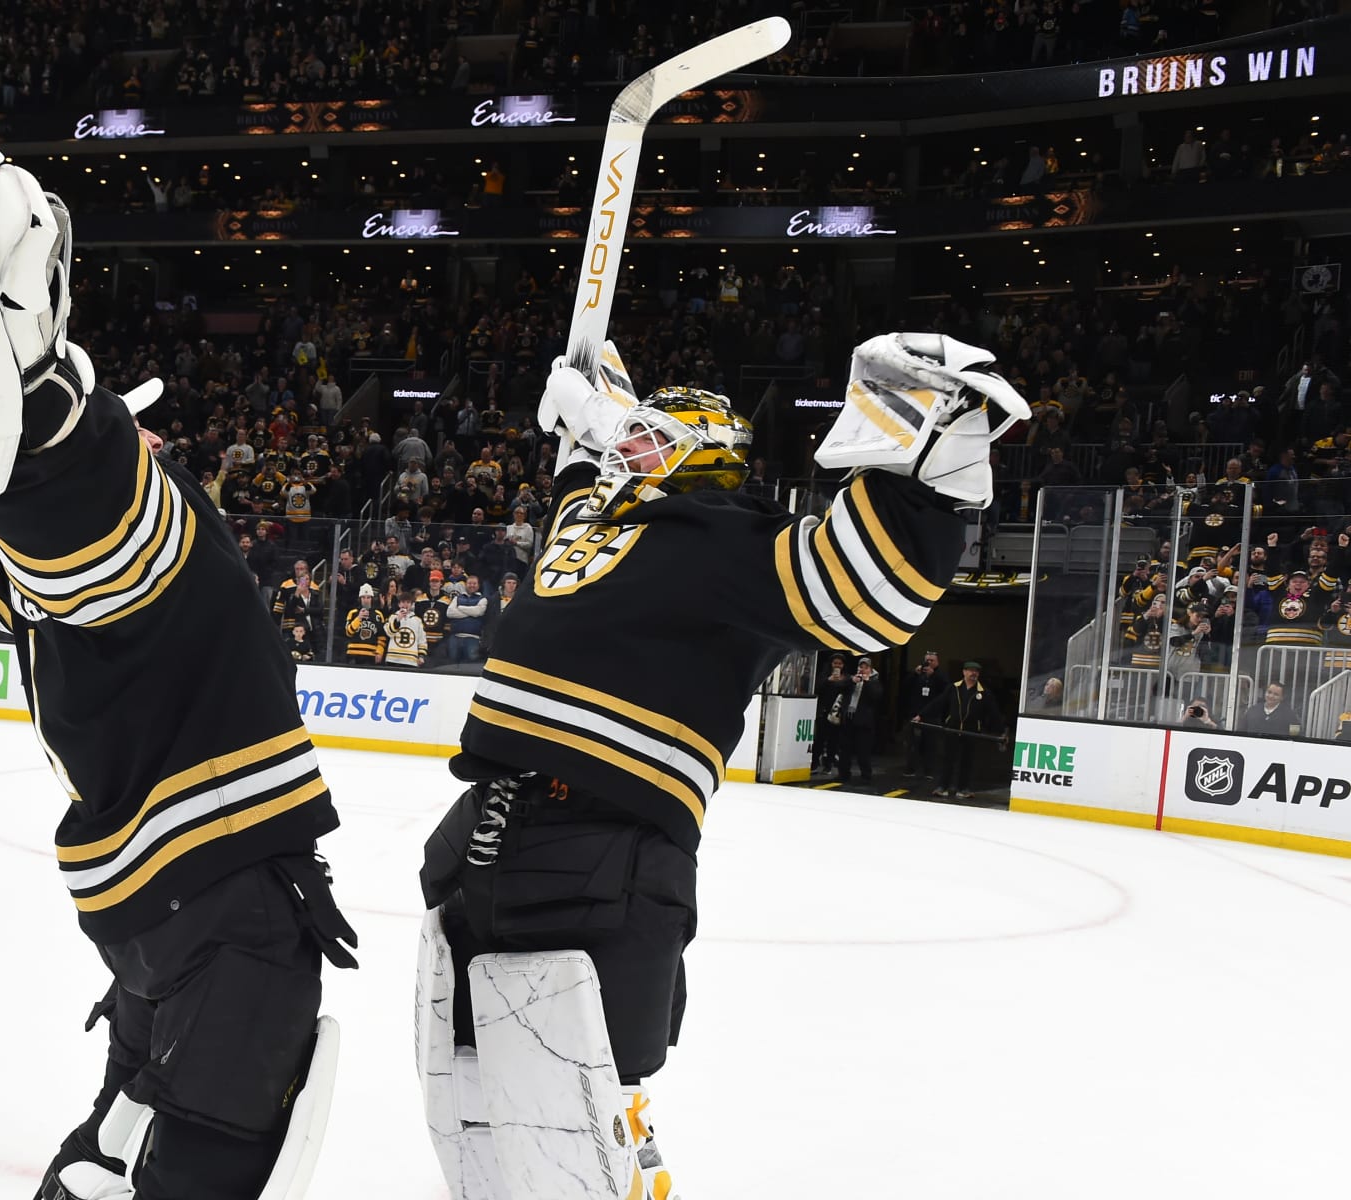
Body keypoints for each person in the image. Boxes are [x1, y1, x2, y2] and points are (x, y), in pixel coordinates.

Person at [0, 150, 355, 1200]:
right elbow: (25, 544)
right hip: (204, 926)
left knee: (113, 1173)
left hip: (171, 929)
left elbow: (74, 534)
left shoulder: (123, 565)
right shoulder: (96, 575)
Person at [417, 331, 1027, 1199]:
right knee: (473, 1093)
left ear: (704, 461)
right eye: (630, 439)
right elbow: (585, 487)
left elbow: (858, 588)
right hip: (485, 835)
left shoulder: (729, 541)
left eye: (650, 442)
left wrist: (922, 452)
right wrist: (584, 422)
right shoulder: (602, 514)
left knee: (574, 1108)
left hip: (604, 852)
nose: (629, 451)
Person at [915, 660, 1005, 799]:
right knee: (948, 759)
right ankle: (943, 786)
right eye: (970, 670)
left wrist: (1001, 730)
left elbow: (993, 713)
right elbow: (938, 703)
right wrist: (921, 715)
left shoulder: (984, 693)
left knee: (967, 761)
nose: (973, 673)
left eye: (976, 671)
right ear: (964, 672)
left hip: (971, 731)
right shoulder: (953, 688)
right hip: (952, 729)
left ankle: (964, 788)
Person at [899, 650, 947, 775]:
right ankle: (911, 769)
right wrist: (914, 674)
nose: (929, 663)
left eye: (932, 661)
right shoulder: (918, 674)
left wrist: (934, 676)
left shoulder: (941, 675)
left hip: (932, 715)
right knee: (912, 744)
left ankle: (929, 771)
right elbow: (904, 687)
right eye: (927, 660)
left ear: (937, 662)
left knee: (930, 745)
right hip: (915, 713)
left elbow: (946, 691)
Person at [839, 655, 884, 786]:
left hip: (864, 722)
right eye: (861, 667)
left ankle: (866, 776)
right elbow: (840, 687)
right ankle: (843, 774)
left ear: (870, 669)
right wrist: (852, 681)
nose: (862, 670)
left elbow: (876, 696)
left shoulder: (875, 682)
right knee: (845, 749)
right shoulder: (852, 679)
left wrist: (867, 681)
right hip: (848, 718)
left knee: (862, 750)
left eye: (866, 667)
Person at [813, 653, 850, 775]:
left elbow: (849, 688)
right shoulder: (825, 676)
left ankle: (828, 765)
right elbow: (817, 687)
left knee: (833, 741)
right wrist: (828, 680)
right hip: (824, 712)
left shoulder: (846, 678)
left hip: (837, 714)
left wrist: (841, 681)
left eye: (840, 664)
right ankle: (814, 763)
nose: (837, 666)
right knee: (819, 739)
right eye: (835, 663)